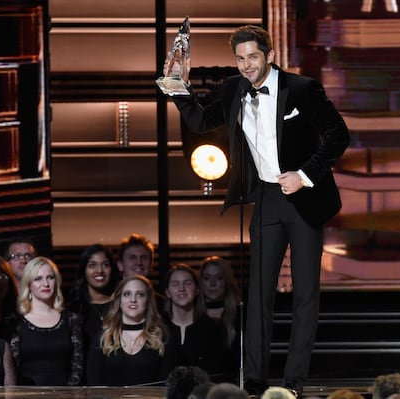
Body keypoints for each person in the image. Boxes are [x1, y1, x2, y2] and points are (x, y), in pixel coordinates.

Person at [165, 24, 350, 396]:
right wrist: (176, 85)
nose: (247, 65)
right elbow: (201, 121)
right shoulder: (234, 88)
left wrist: (304, 175)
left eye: (253, 57)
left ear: (269, 55)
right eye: (240, 58)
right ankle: (254, 380)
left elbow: (338, 135)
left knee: (304, 296)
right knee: (260, 293)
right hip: (266, 198)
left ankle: (294, 382)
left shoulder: (302, 89)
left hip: (303, 197)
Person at [86, 274, 177, 386]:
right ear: (119, 300)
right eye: (127, 294)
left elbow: (167, 386)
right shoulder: (103, 338)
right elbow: (95, 385)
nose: (133, 300)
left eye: (140, 295)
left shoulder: (163, 338)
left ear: (148, 300)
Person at [9, 256, 83, 385]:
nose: (46, 284)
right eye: (38, 279)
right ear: (28, 284)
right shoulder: (15, 322)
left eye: (50, 277)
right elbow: (13, 369)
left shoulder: (71, 319)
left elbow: (78, 366)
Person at [163, 263, 232, 381]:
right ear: (168, 292)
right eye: (175, 284)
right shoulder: (158, 328)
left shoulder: (212, 328)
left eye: (187, 283)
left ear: (197, 290)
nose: (181, 288)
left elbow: (219, 371)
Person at [67, 243, 119, 383]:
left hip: (117, 380)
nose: (99, 270)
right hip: (82, 383)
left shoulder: (123, 305)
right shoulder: (73, 308)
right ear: (84, 270)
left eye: (105, 264)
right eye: (92, 265)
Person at [198, 256, 241, 376]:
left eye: (219, 278)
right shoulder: (192, 315)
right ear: (200, 282)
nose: (212, 283)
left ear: (227, 281)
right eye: (207, 278)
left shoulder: (240, 316)